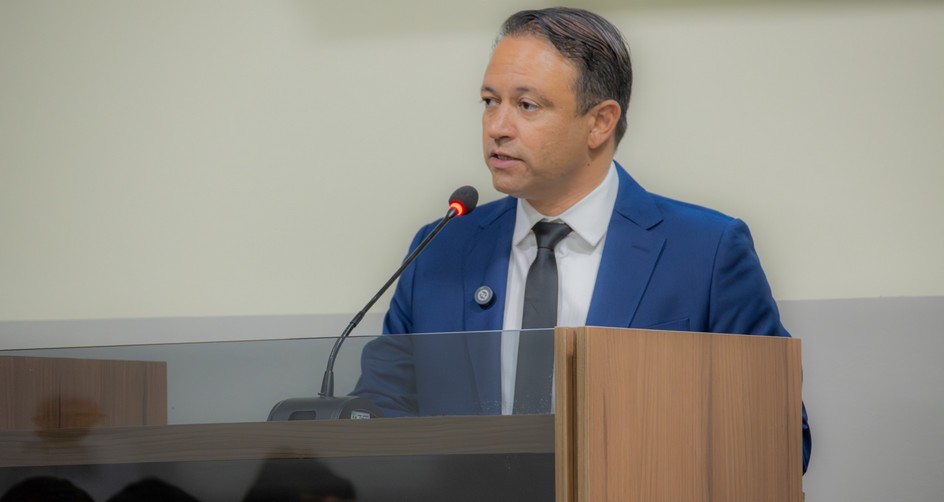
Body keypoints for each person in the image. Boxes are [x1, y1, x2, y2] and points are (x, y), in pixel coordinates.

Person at [352, 7, 810, 473]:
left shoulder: (706, 252)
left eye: (526, 105)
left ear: (600, 122)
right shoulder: (440, 249)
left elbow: (780, 439)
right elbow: (377, 415)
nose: (497, 127)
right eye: (490, 101)